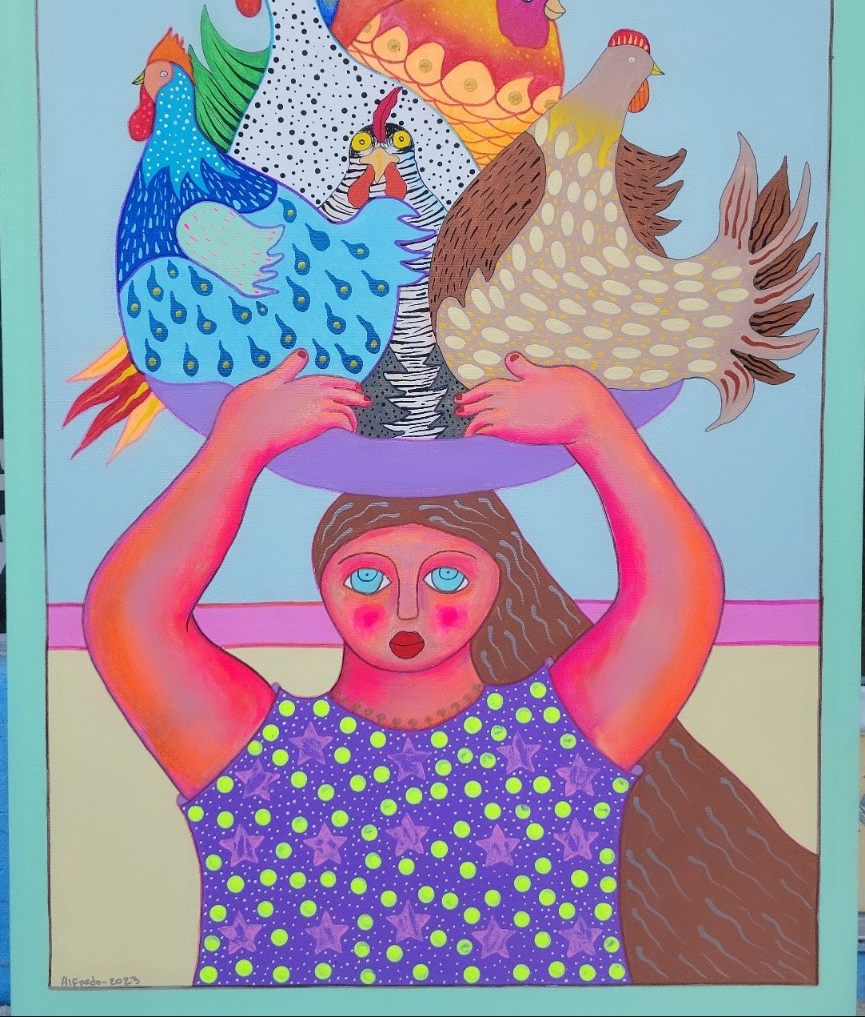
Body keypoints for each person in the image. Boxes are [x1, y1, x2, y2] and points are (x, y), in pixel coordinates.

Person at [85, 350, 816, 988]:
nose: (406, 607)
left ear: (501, 583)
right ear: (322, 585)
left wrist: (598, 426)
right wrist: (234, 448)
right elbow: (129, 618)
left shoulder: (559, 741)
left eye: (446, 577)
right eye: (366, 578)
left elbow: (677, 598)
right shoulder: (258, 756)